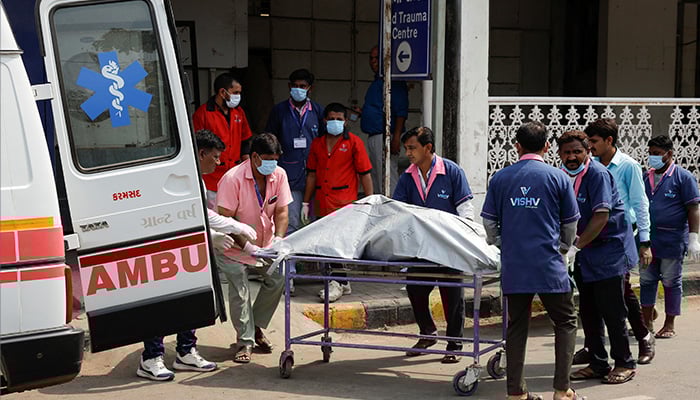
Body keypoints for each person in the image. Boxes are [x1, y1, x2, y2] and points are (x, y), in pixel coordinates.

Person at [136, 130, 247, 381]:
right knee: (161, 303)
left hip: (187, 250)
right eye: (216, 157)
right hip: (164, 249)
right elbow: (188, 215)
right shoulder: (173, 176)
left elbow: (200, 214)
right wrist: (225, 229)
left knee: (191, 300)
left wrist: (227, 228)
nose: (218, 163)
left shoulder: (194, 178)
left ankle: (185, 351)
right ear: (201, 153)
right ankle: (150, 357)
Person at [481, 122, 581, 400]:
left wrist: (504, 243)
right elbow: (571, 222)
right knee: (565, 321)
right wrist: (563, 246)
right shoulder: (559, 178)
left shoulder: (500, 178)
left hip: (516, 265)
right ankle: (562, 389)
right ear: (547, 147)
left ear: (517, 146)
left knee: (516, 325)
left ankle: (516, 393)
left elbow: (489, 222)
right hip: (549, 264)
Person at [558, 130, 638, 385]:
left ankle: (625, 362)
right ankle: (598, 363)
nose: (572, 157)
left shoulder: (597, 174)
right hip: (583, 253)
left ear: (587, 152)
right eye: (567, 152)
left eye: (577, 151)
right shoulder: (562, 176)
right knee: (589, 311)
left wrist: (575, 247)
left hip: (607, 251)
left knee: (612, 311)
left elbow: (601, 216)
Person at [575, 118, 655, 365]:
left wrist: (645, 241)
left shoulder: (628, 166)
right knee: (596, 296)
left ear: (609, 141)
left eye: (594, 141)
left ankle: (643, 337)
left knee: (619, 293)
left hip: (619, 236)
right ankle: (594, 349)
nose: (590, 146)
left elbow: (640, 203)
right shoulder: (591, 165)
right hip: (593, 237)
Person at [392, 127, 474, 364]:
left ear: (428, 148)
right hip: (420, 248)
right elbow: (399, 210)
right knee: (415, 290)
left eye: (412, 148)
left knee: (452, 296)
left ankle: (454, 343)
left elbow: (465, 209)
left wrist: (462, 237)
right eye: (407, 148)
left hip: (448, 246)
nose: (408, 153)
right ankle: (427, 333)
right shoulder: (408, 176)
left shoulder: (452, 171)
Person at [215, 133, 291, 364]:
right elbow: (225, 220)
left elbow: (282, 212)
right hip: (233, 246)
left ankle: (255, 327)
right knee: (239, 291)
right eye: (268, 158)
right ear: (254, 156)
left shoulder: (279, 174)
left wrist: (278, 239)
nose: (273, 163)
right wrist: (246, 245)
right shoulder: (232, 179)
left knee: (279, 276)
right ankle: (245, 342)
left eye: (276, 159)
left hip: (266, 245)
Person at [302, 103, 373, 302]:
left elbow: (365, 174)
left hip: (345, 203)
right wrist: (305, 203)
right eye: (331, 118)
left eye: (339, 119)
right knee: (326, 244)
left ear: (345, 121)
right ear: (325, 120)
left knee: (337, 245)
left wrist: (369, 201)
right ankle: (342, 281)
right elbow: (312, 175)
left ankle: (336, 282)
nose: (335, 122)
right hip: (322, 202)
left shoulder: (354, 143)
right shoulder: (317, 144)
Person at [640, 135, 700, 339]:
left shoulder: (683, 177)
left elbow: (693, 208)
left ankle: (669, 323)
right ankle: (645, 323)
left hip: (672, 240)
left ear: (669, 154)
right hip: (648, 240)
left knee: (671, 282)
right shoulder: (644, 177)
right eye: (650, 153)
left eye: (656, 154)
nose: (652, 157)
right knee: (647, 281)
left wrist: (693, 238)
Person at [265, 68, 324, 235]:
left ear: (310, 88)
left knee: (314, 221)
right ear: (289, 86)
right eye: (295, 85)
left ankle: (312, 259)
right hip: (288, 174)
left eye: (303, 86)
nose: (299, 89)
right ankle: (290, 260)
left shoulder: (318, 111)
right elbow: (270, 139)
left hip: (314, 174)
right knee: (290, 220)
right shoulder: (279, 111)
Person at [193, 73, 253, 209]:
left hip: (235, 175)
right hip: (212, 178)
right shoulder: (203, 114)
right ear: (222, 92)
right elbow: (197, 146)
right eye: (235, 92)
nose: (238, 96)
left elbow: (245, 141)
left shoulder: (239, 112)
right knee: (215, 217)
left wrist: (247, 167)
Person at [357, 45, 409, 196]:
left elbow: (401, 111)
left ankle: (393, 211)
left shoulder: (394, 80)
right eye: (371, 58)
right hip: (373, 135)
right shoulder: (377, 81)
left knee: (387, 176)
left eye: (377, 58)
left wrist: (396, 138)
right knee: (377, 177)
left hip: (386, 135)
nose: (373, 62)